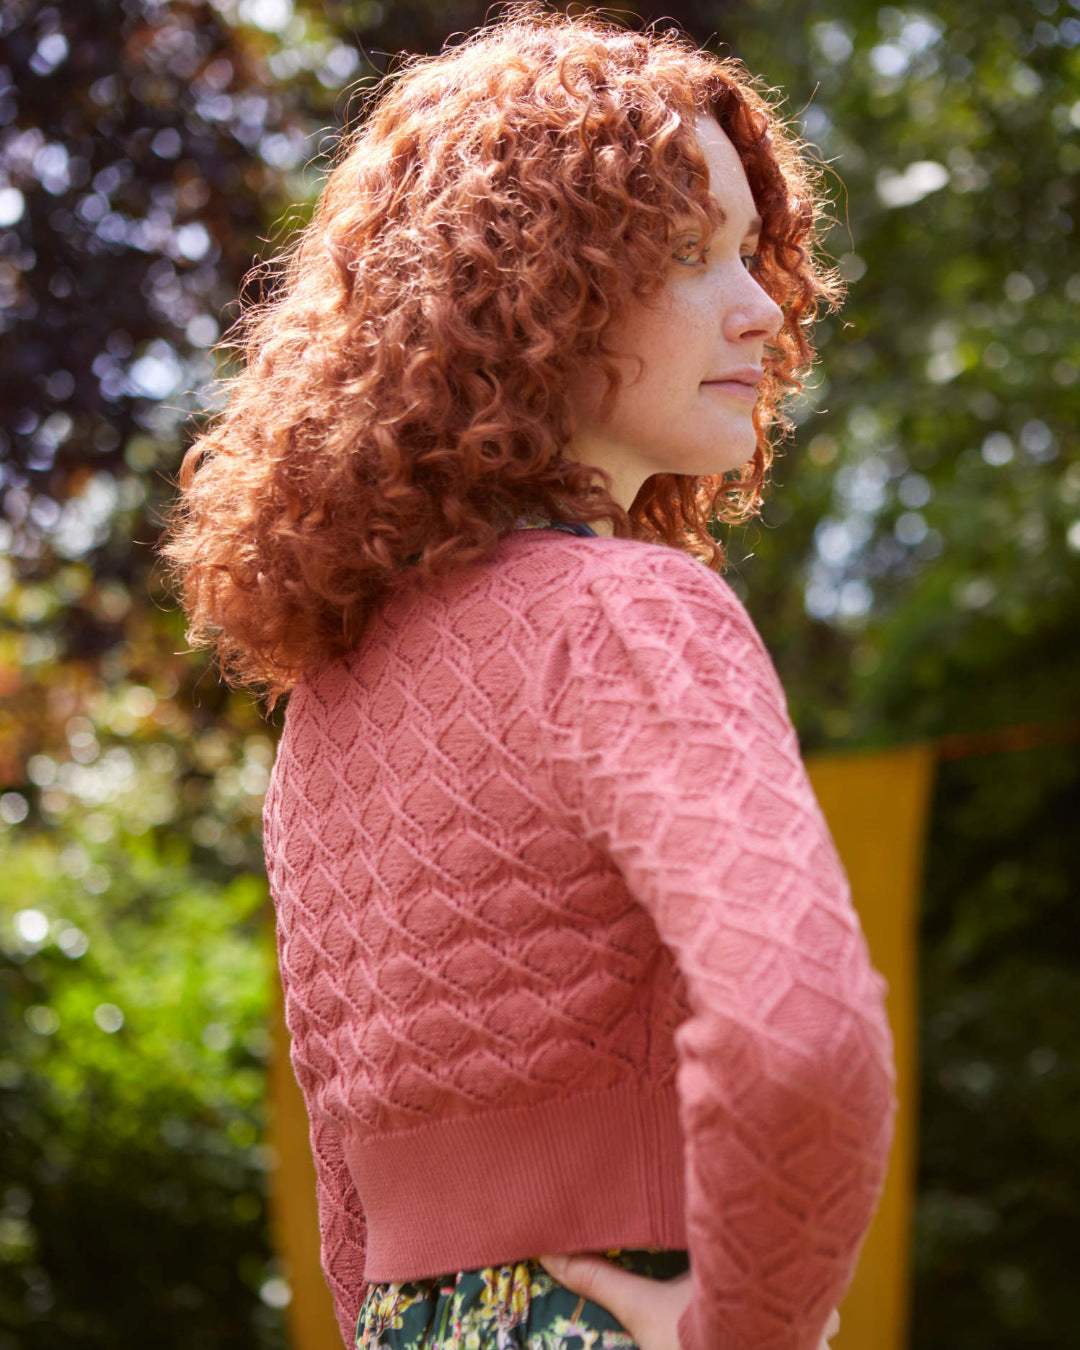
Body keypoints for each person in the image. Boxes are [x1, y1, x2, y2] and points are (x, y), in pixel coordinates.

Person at [159, 5, 897, 1348]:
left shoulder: (331, 702)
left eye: (750, 251)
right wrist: (753, 1319)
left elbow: (347, 1191)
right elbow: (805, 1035)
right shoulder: (624, 616)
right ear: (532, 296)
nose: (762, 303)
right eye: (687, 257)